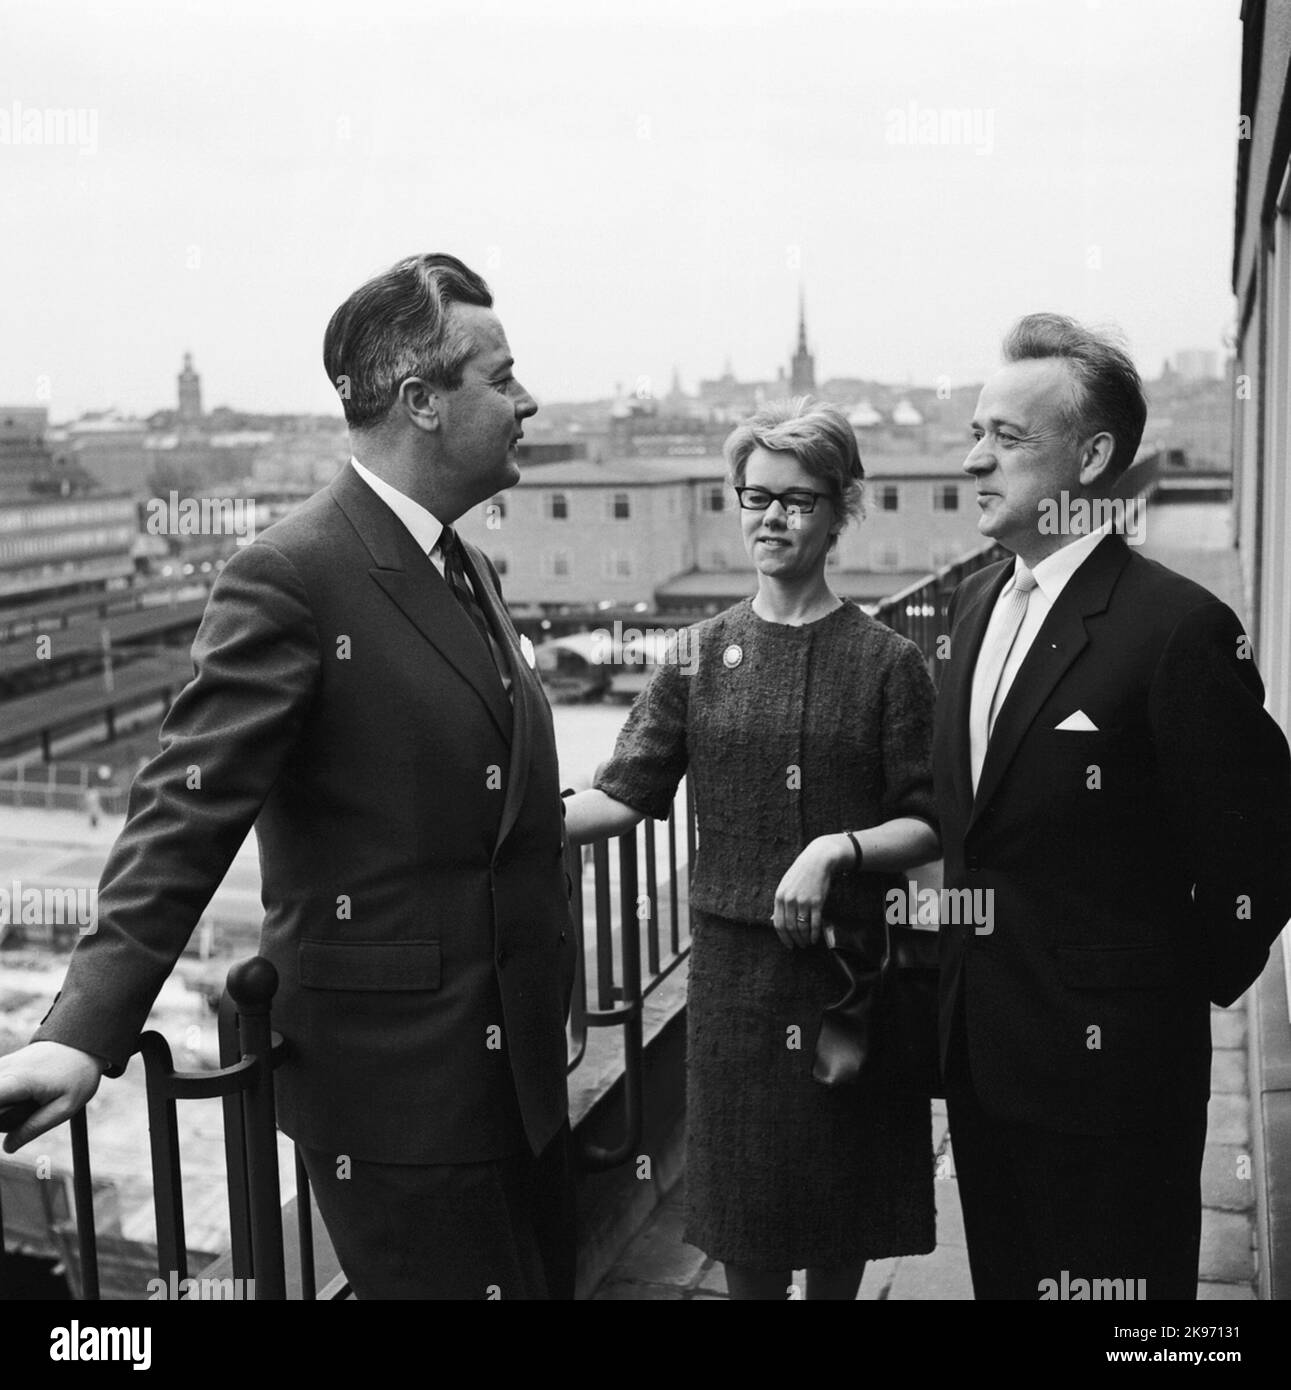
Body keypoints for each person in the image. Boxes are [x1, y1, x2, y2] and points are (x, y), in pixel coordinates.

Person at [0, 253, 578, 1300]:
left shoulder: (467, 565)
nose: (528, 400)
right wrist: (84, 1030)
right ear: (422, 403)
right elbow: (187, 807)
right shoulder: (291, 573)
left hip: (517, 1078)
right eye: (502, 377)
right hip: (401, 1100)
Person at [933, 312, 1291, 1300]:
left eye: (1005, 440)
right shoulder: (972, 608)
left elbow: (1257, 838)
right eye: (974, 433)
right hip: (982, 1057)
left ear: (1091, 457)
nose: (973, 461)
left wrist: (1169, 994)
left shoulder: (1176, 628)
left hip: (1114, 1079)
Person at [564, 398, 940, 1300]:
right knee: (746, 1214)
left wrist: (836, 850)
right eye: (753, 495)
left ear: (841, 509)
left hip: (849, 975)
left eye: (797, 500)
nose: (769, 517)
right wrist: (487, 819)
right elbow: (622, 794)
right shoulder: (695, 654)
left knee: (843, 1204)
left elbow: (927, 820)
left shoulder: (888, 662)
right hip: (734, 985)